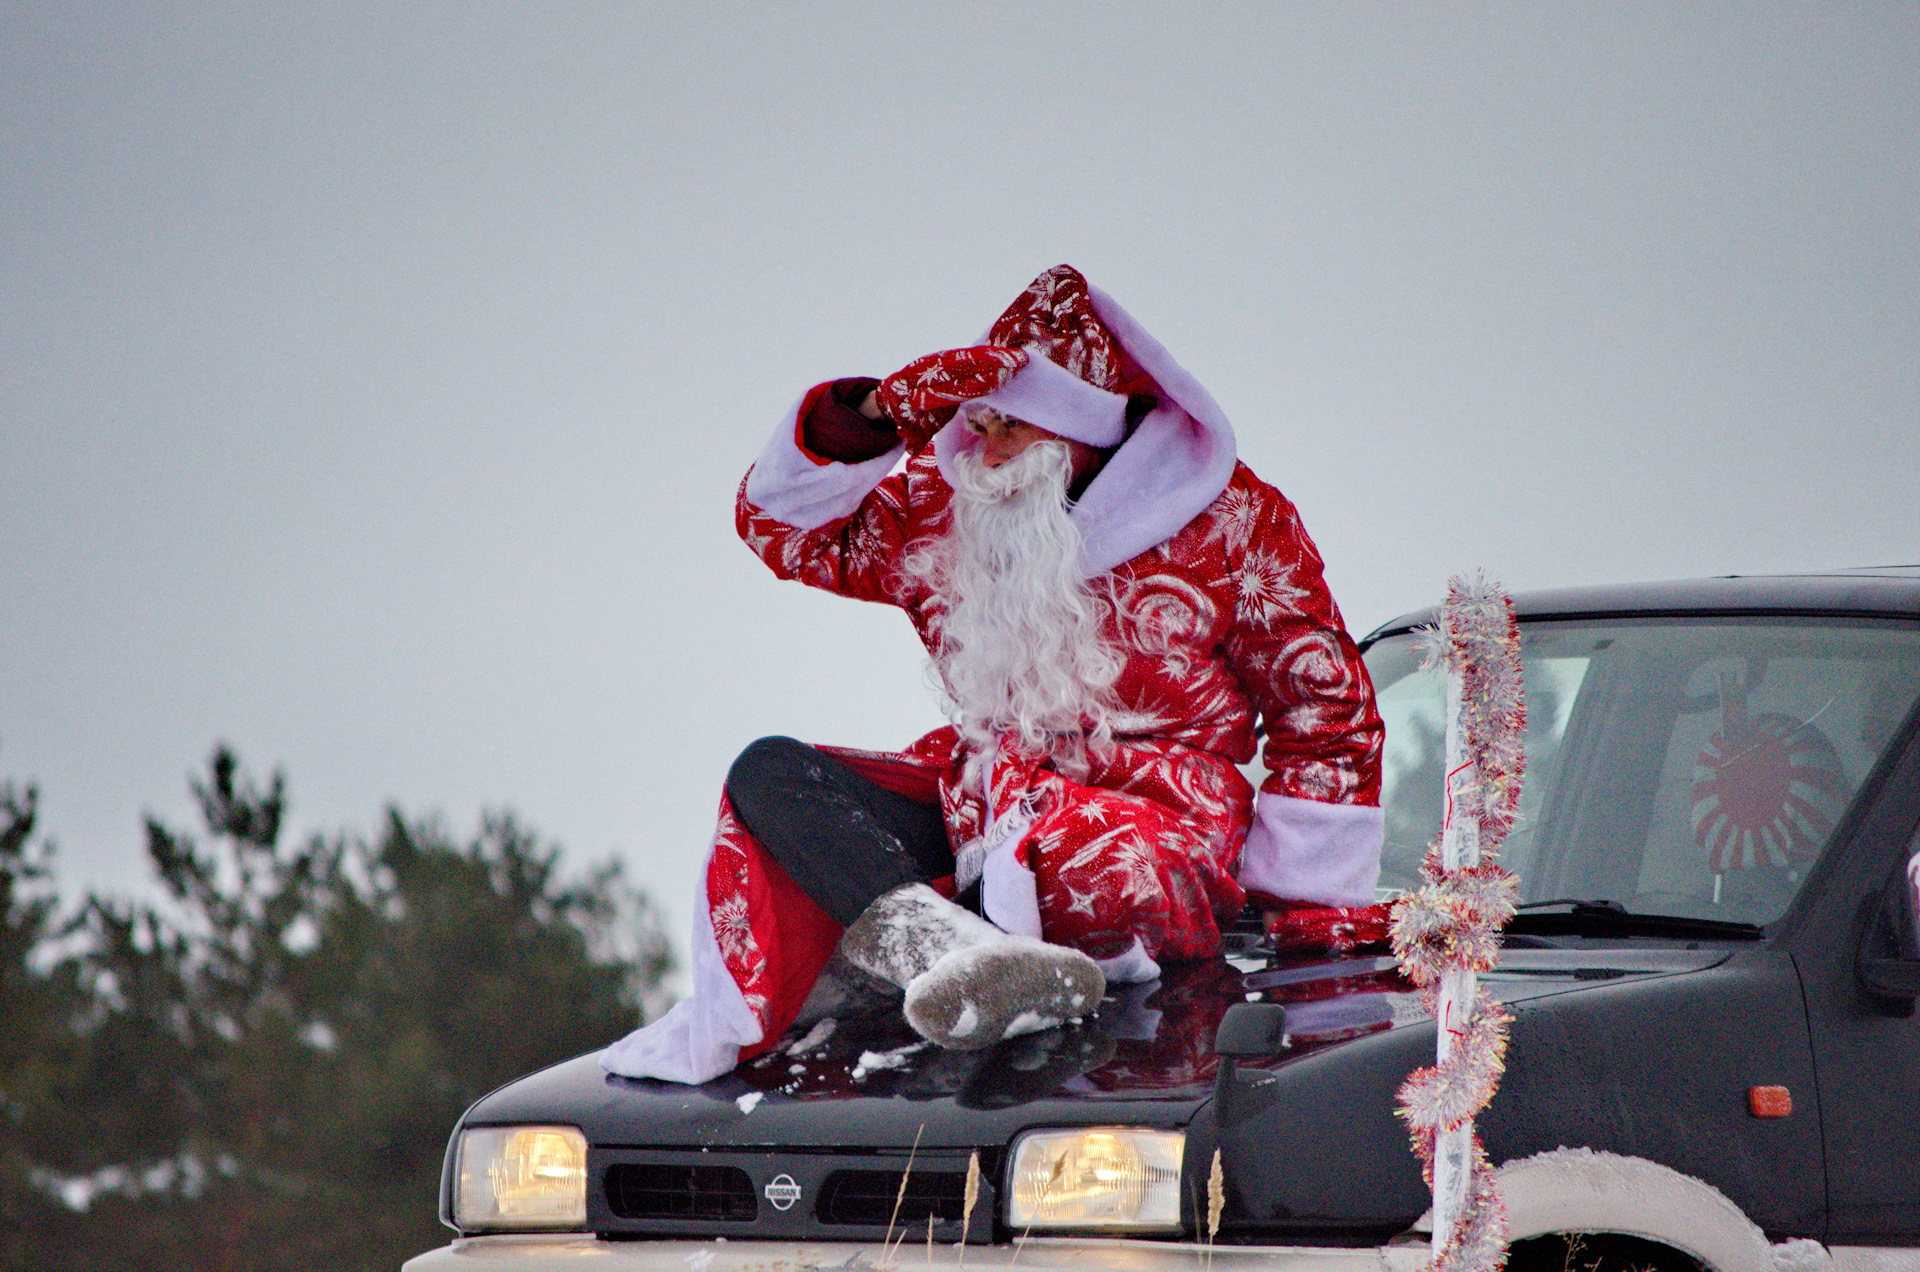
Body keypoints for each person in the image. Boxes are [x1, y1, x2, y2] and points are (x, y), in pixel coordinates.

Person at [603, 266, 1385, 1084]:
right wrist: (877, 414)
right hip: (979, 804)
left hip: (1158, 823)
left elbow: (1323, 710)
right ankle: (942, 952)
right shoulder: (953, 506)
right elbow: (782, 526)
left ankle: (922, 951)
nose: (987, 446)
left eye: (1013, 425)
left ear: (1082, 430)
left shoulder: (1231, 519)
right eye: (976, 422)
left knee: (1098, 866)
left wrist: (1301, 910)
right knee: (772, 774)